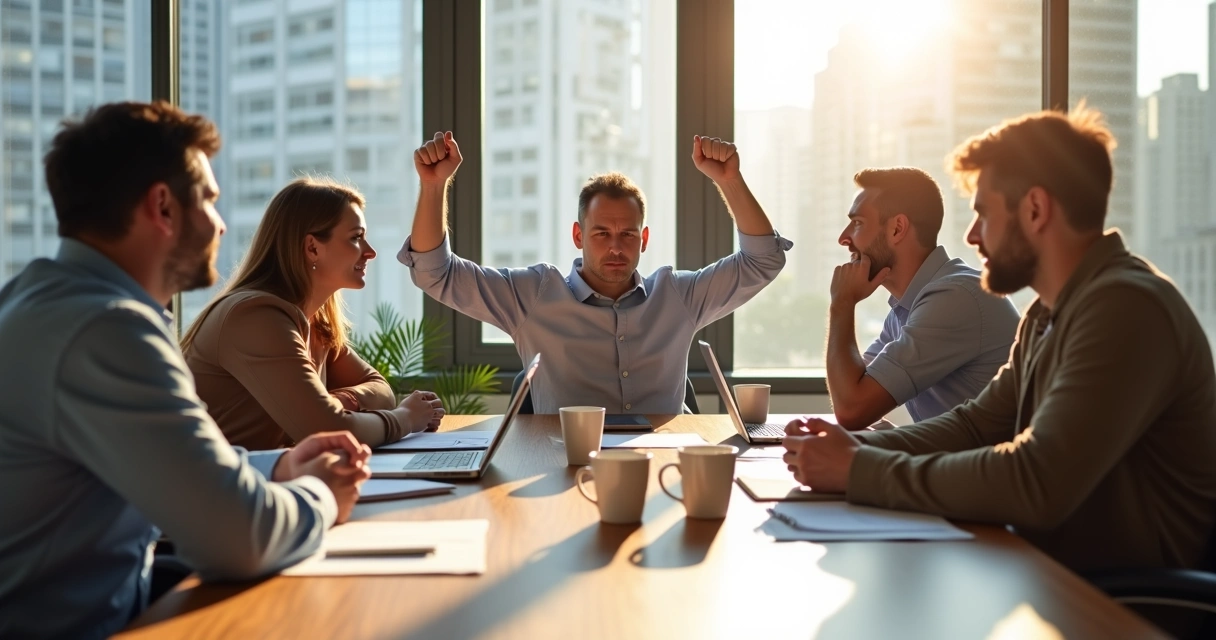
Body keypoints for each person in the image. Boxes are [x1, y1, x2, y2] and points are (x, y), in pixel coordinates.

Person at [783, 106, 1216, 573]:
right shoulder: (1046, 315)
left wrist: (858, 470)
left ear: (1034, 209)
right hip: (1054, 569)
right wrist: (855, 451)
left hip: (1127, 600)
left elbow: (1037, 481)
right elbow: (976, 426)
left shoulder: (1126, 308)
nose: (972, 236)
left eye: (984, 214)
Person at [0, 101, 371, 638]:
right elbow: (238, 541)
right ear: (164, 207)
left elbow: (161, 456)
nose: (221, 224)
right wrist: (319, 493)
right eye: (210, 200)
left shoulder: (41, 301)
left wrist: (278, 467)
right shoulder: (106, 330)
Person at [400, 131, 791, 414]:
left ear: (645, 239)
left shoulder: (677, 295)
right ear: (578, 235)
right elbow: (436, 274)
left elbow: (763, 261)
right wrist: (434, 186)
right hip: (563, 464)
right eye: (601, 233)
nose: (616, 247)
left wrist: (729, 180)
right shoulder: (533, 295)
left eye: (628, 234)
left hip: (662, 464)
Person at [182, 177, 444, 450]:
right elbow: (329, 430)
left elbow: (381, 391)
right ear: (312, 248)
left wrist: (339, 401)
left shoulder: (315, 322)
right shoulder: (255, 317)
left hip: (270, 480)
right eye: (356, 238)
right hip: (219, 489)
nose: (370, 252)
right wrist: (405, 418)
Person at [827, 167, 1019, 429]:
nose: (844, 238)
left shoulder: (954, 298)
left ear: (897, 228)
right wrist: (885, 436)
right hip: (957, 463)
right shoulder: (908, 308)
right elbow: (856, 385)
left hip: (991, 468)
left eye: (858, 223)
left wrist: (842, 304)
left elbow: (851, 409)